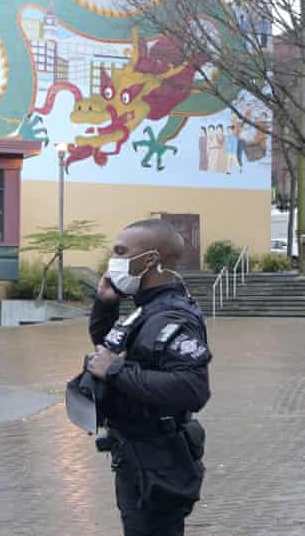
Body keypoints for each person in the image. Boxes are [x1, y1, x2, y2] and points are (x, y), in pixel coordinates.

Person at [86, 219, 211, 536]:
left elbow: (192, 388)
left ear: (151, 259)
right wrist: (105, 305)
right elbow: (110, 346)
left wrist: (115, 370)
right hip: (137, 456)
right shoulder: (146, 308)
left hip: (159, 460)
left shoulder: (172, 316)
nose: (113, 259)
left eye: (120, 251)